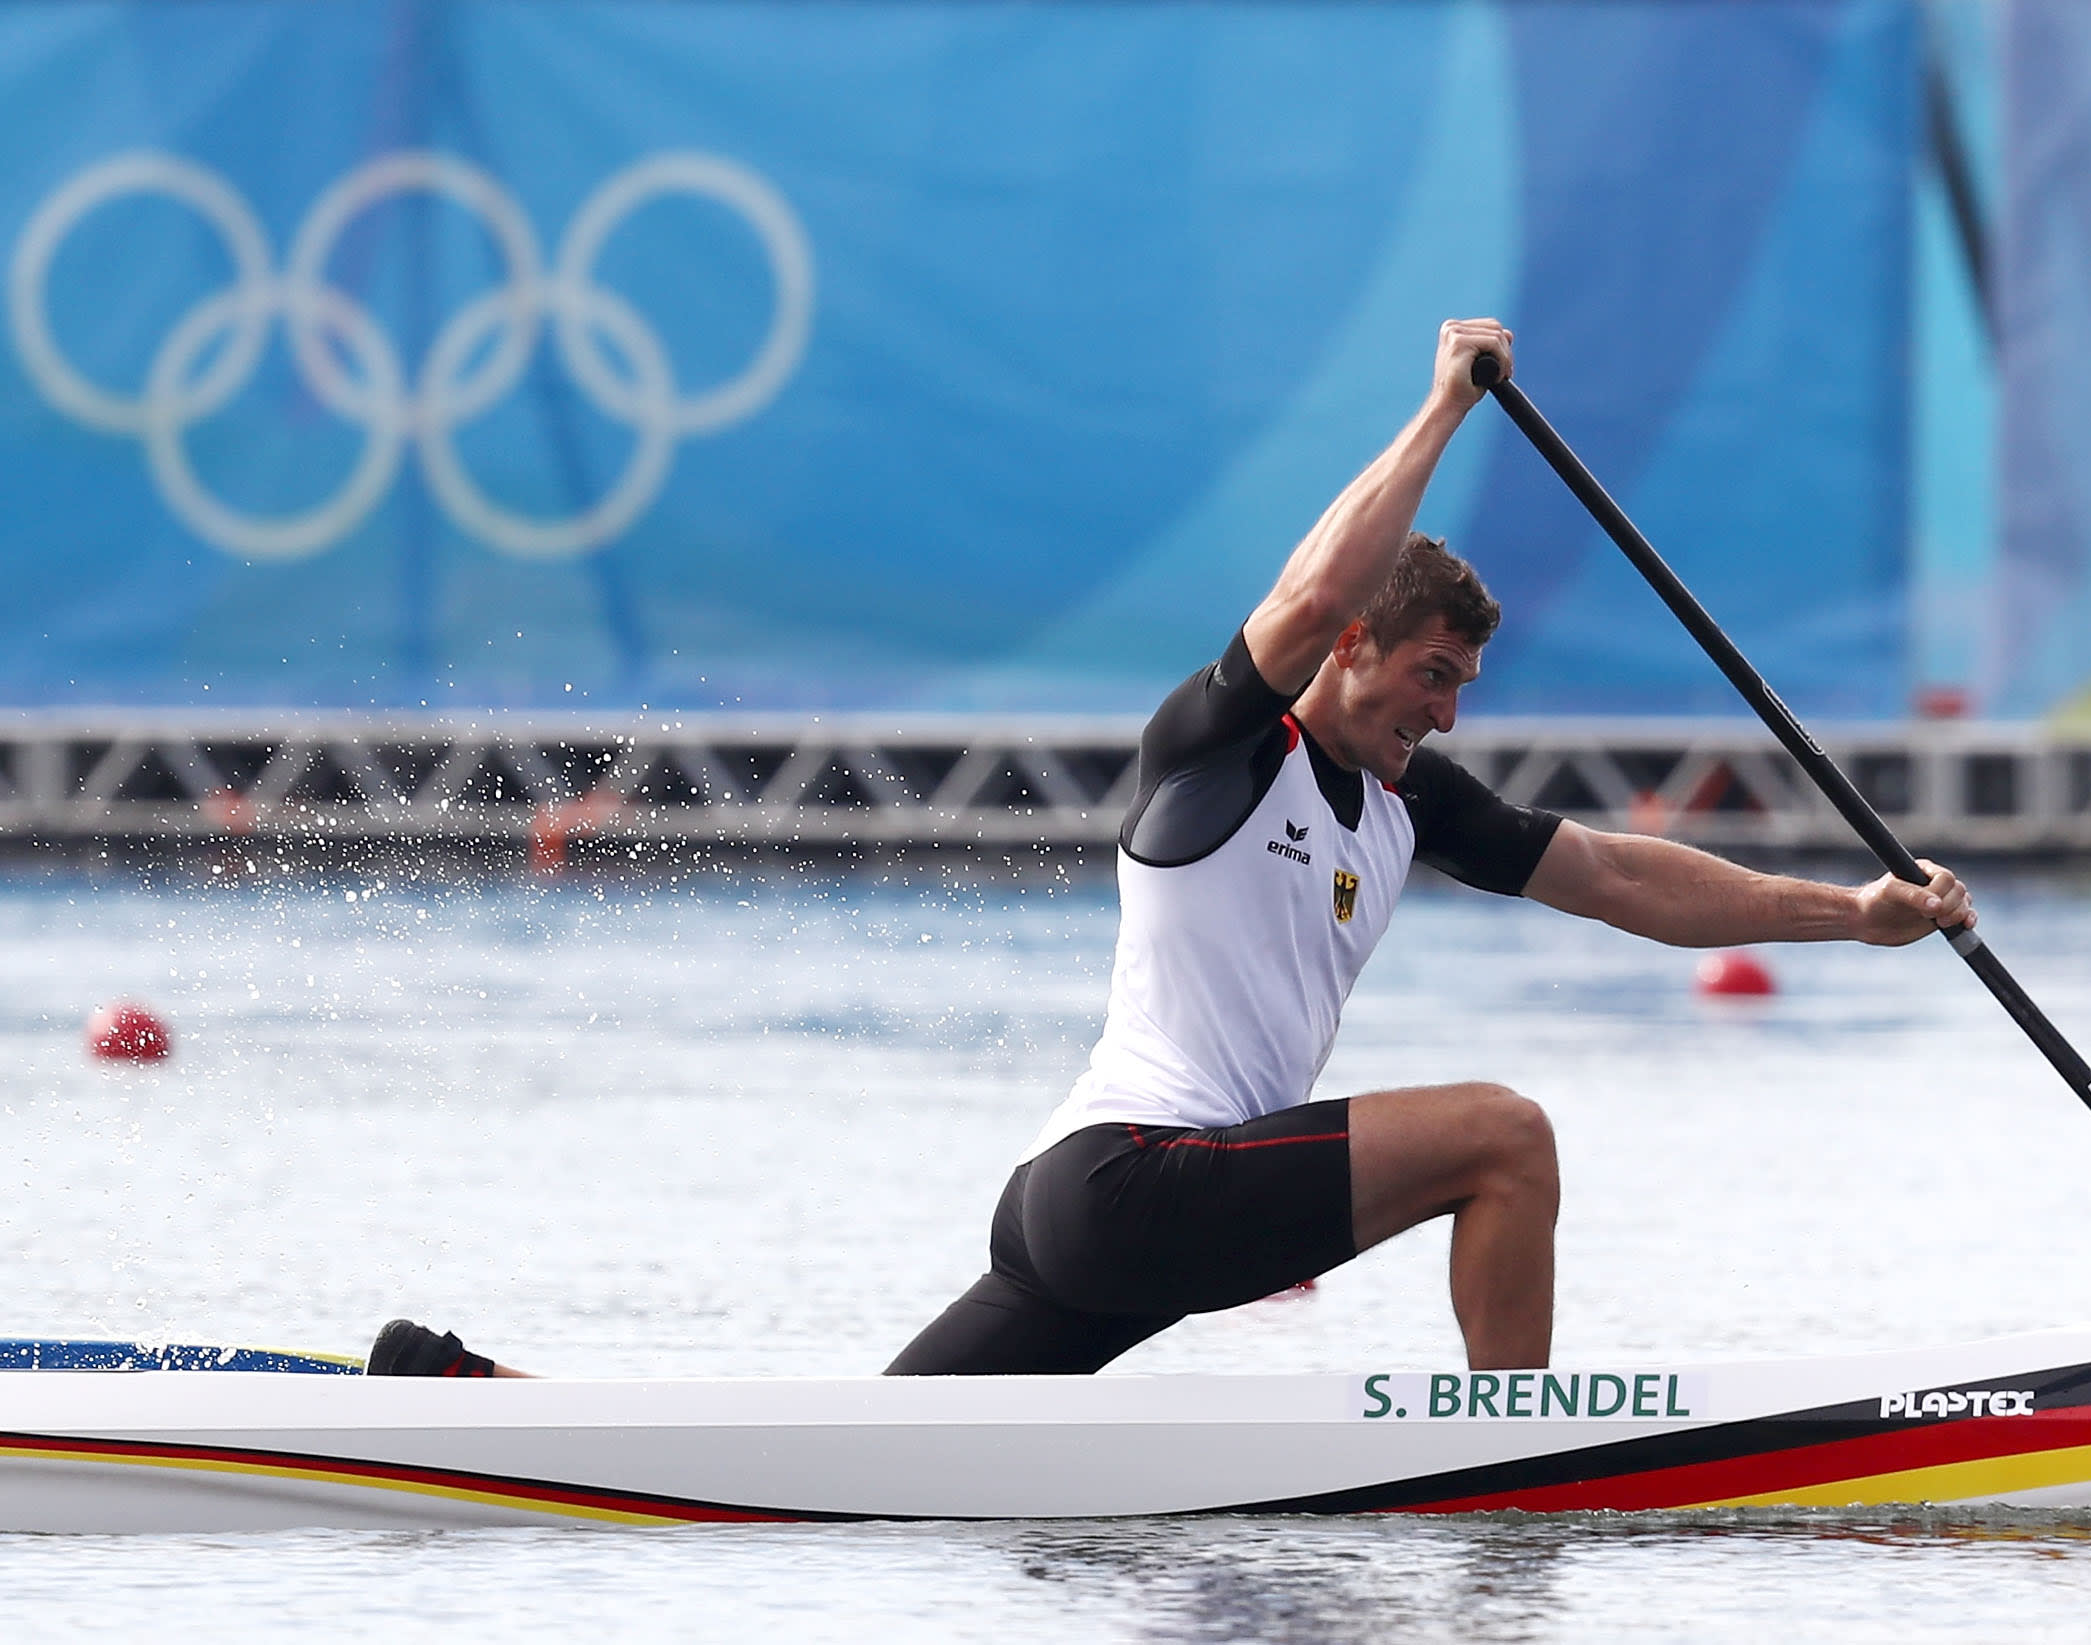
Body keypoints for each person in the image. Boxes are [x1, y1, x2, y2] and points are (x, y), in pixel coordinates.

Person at [368, 319, 1973, 1381]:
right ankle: (1509, 1469)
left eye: (1466, 687)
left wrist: (1852, 912)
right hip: (1128, 1179)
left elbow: (1627, 877)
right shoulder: (1216, 749)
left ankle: (483, 1400)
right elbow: (1299, 591)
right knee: (1509, 1137)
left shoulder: (1413, 809)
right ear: (1354, 647)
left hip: (1086, 1205)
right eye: (1433, 673)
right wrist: (1438, 407)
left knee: (856, 1467)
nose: (1452, 710)